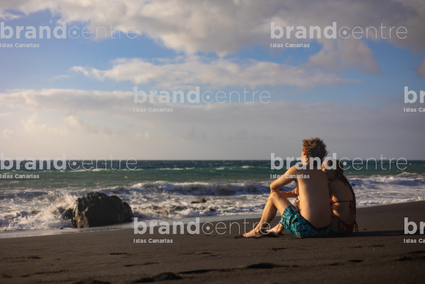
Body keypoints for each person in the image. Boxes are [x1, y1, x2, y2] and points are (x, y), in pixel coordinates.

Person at [243, 137, 330, 238]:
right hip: (325, 230)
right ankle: (279, 227)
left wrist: (280, 197)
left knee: (273, 195)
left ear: (305, 152)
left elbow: (273, 186)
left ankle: (258, 230)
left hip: (306, 230)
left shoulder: (299, 169)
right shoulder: (323, 174)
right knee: (299, 198)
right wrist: (288, 195)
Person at [322, 159, 358, 234]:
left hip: (338, 227)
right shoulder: (343, 182)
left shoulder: (332, 185)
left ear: (332, 170)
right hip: (348, 227)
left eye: (323, 167)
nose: (320, 170)